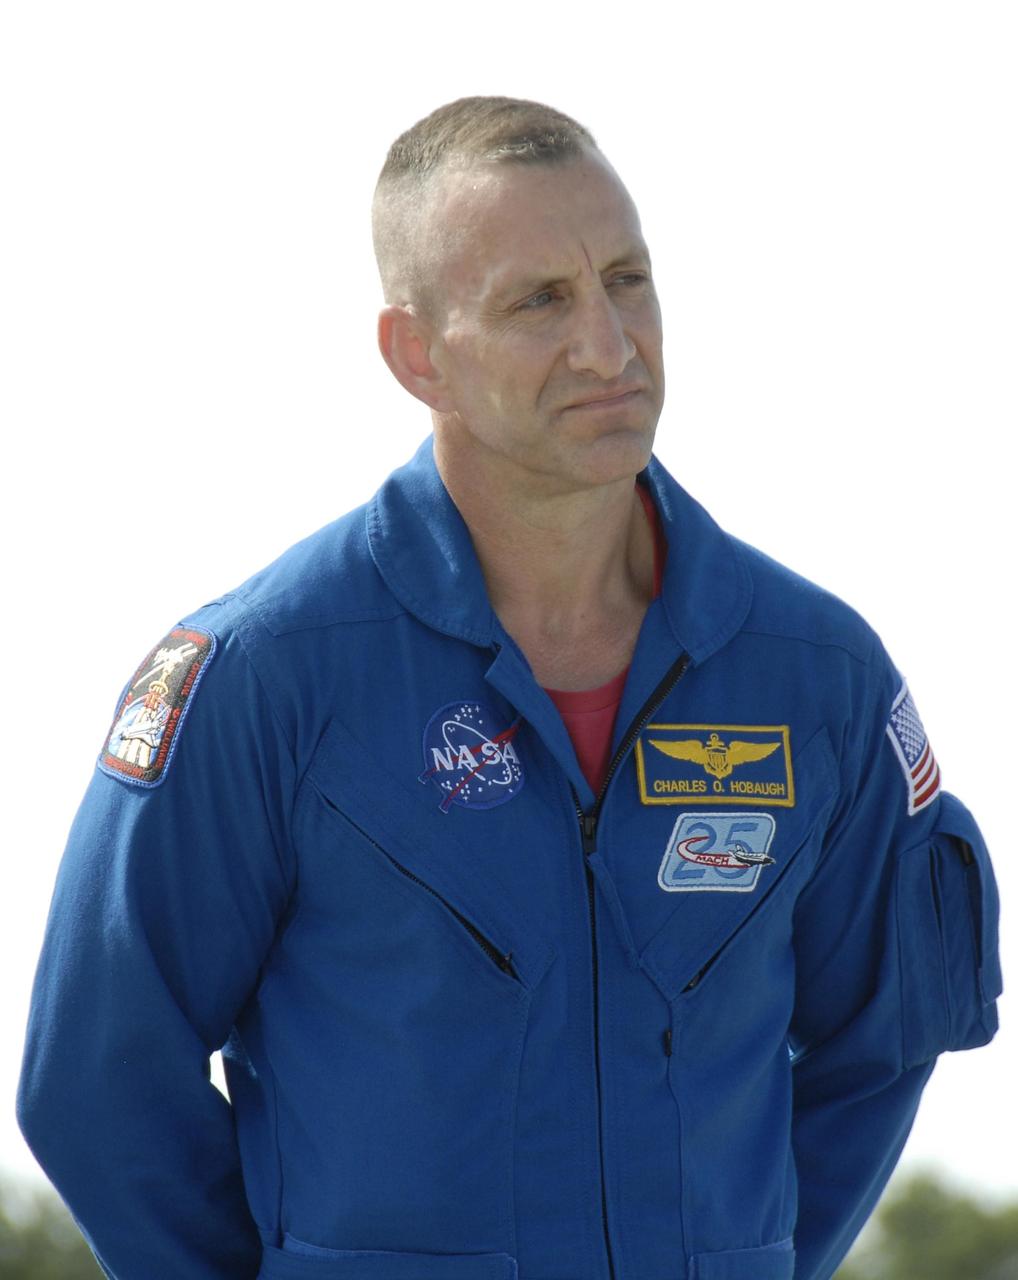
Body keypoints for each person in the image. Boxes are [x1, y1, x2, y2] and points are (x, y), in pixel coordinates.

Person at [17, 96, 1001, 1280]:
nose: (609, 342)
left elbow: (883, 1038)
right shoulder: (262, 678)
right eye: (540, 301)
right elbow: (95, 1077)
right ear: (414, 353)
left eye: (626, 279)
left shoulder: (816, 675)